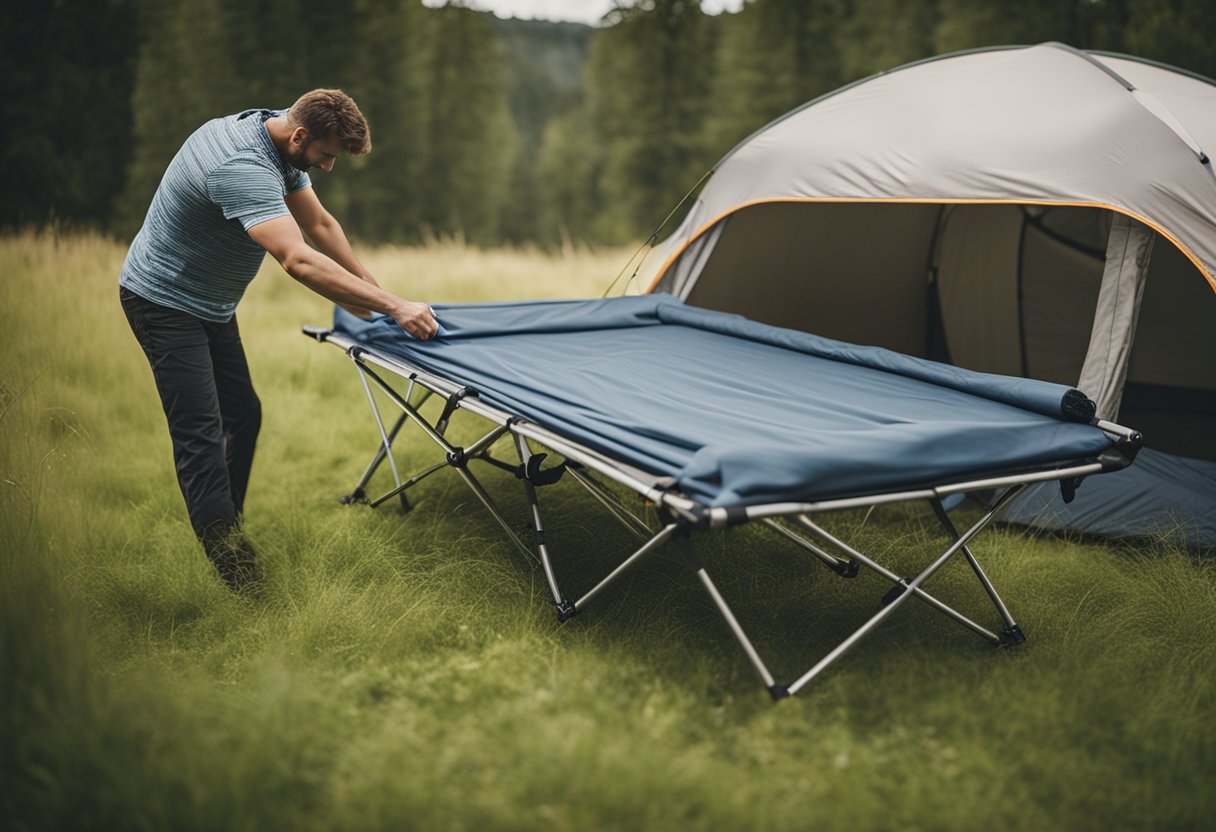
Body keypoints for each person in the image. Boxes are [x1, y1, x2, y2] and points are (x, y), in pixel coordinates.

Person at [119, 89, 436, 592]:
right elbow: (297, 259)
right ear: (302, 136)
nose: (328, 167)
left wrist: (374, 295)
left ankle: (225, 522)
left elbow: (319, 223)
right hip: (163, 302)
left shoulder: (277, 137)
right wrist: (395, 306)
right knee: (200, 440)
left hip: (210, 304)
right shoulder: (241, 165)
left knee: (243, 414)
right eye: (327, 155)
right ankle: (242, 578)